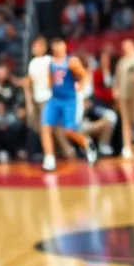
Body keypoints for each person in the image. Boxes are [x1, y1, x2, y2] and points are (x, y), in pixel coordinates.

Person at [40, 39, 99, 172]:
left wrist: (81, 89)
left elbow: (85, 76)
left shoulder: (71, 61)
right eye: (55, 44)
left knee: (69, 131)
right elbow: (51, 80)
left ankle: (87, 143)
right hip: (54, 99)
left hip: (69, 100)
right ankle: (49, 159)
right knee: (45, 127)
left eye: (60, 44)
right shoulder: (51, 63)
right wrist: (47, 88)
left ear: (65, 46)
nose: (57, 46)